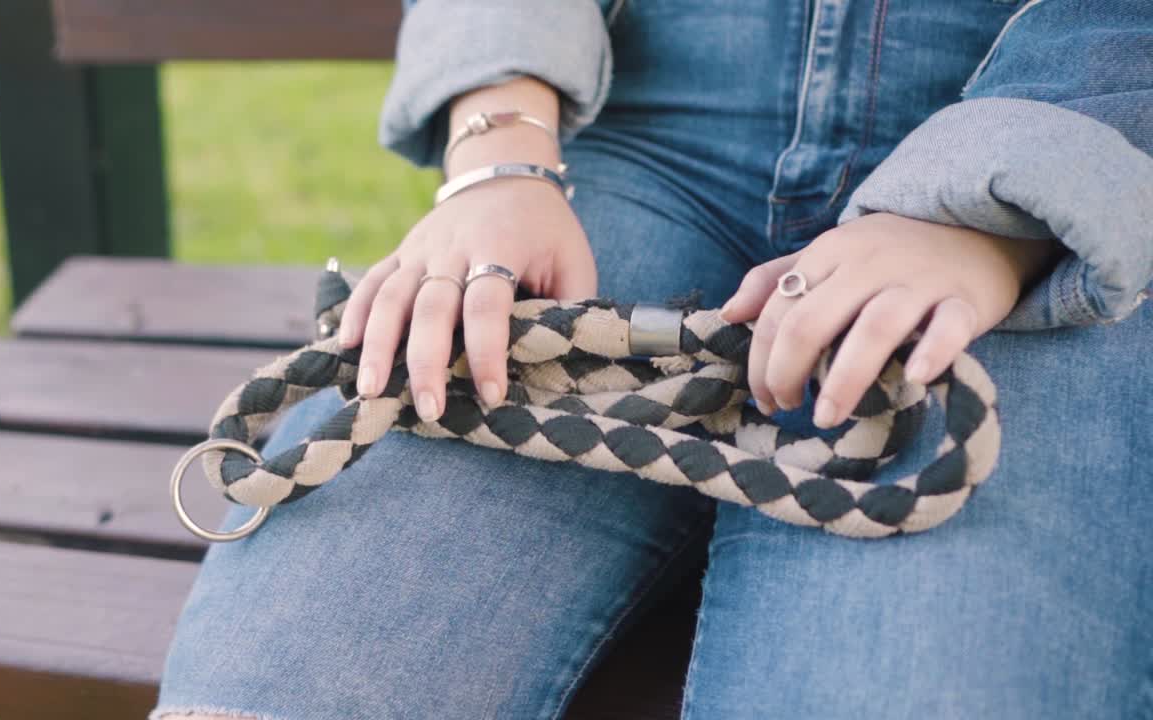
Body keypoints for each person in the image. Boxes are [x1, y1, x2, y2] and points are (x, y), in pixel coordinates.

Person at [151, 1, 1153, 718]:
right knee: (282, 680)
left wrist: (990, 220)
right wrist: (499, 147)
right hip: (632, 155)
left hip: (1025, 186)